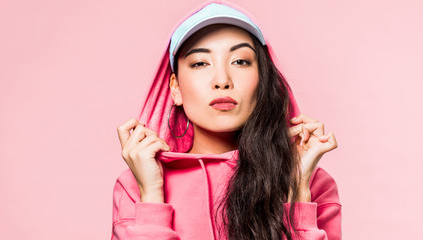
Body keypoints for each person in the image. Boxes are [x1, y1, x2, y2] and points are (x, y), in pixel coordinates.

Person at [111, 0, 341, 239]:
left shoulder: (314, 183)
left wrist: (298, 190)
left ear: (262, 81)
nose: (222, 80)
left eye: (240, 61)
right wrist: (151, 196)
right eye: (200, 63)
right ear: (176, 88)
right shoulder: (137, 185)